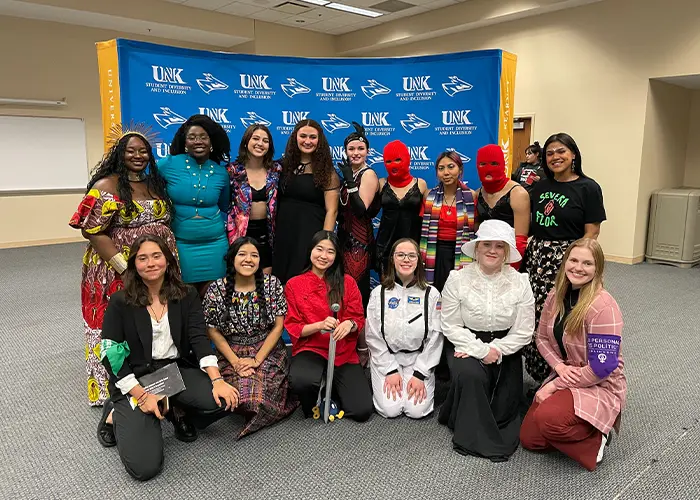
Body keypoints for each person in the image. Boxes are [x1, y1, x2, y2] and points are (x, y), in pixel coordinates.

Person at [97, 234, 239, 481]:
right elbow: (112, 355)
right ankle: (113, 414)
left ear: (168, 260)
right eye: (142, 258)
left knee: (228, 399)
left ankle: (175, 408)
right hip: (136, 379)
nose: (150, 263)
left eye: (156, 256)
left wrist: (217, 380)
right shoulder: (121, 302)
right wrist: (142, 396)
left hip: (174, 372)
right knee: (145, 467)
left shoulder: (186, 295)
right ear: (134, 265)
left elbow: (198, 339)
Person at [69, 126, 177, 408]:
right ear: (119, 153)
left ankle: (152, 381)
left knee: (152, 320)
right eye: (131, 150)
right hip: (115, 268)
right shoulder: (107, 185)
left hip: (155, 265)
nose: (138, 155)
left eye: (143, 151)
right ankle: (112, 391)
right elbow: (92, 230)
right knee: (116, 323)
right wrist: (124, 269)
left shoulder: (155, 184)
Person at [520, 238, 625, 470]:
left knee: (548, 420)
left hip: (598, 382)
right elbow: (542, 338)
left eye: (587, 263)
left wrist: (555, 385)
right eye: (574, 260)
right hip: (567, 373)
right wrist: (558, 368)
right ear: (565, 261)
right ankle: (582, 423)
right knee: (531, 440)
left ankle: (597, 435)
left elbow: (602, 367)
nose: (578, 267)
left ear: (598, 268)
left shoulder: (604, 307)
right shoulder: (557, 295)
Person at [439, 219, 535, 462]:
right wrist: (479, 349)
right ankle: (472, 433)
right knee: (472, 376)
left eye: (499, 246)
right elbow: (450, 324)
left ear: (506, 252)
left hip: (507, 346)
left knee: (505, 406)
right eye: (487, 244)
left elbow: (524, 330)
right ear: (477, 249)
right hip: (466, 342)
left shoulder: (521, 282)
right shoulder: (457, 279)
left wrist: (496, 349)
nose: (492, 250)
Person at [522, 133, 606, 385]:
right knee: (538, 316)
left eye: (561, 151)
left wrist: (577, 262)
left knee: (565, 315)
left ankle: (569, 375)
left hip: (569, 260)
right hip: (538, 258)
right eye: (549, 153)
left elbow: (592, 232)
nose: (555, 157)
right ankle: (541, 376)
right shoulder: (539, 187)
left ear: (573, 155)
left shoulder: (588, 188)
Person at [202, 237, 297, 438]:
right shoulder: (216, 289)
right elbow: (212, 331)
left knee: (260, 398)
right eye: (242, 254)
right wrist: (236, 362)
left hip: (266, 350)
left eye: (254, 255)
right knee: (244, 397)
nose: (248, 259)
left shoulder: (272, 284)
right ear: (232, 259)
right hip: (231, 352)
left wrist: (256, 361)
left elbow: (278, 327)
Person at [284, 230, 373, 422]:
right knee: (302, 383)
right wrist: (319, 325)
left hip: (342, 351)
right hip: (312, 347)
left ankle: (332, 392)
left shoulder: (347, 282)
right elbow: (294, 326)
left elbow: (357, 318)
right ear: (310, 251)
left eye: (330, 251)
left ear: (337, 255)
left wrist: (349, 325)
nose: (324, 256)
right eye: (319, 249)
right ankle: (319, 389)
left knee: (362, 411)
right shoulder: (294, 284)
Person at [365, 238, 443, 419]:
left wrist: (420, 373)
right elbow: (373, 335)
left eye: (411, 255)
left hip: (418, 359)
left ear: (419, 261)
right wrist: (390, 370)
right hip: (387, 357)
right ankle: (390, 375)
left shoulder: (432, 294)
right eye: (400, 255)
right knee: (390, 410)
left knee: (417, 410)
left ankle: (415, 377)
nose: (406, 260)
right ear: (392, 259)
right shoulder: (379, 293)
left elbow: (436, 337)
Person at [158, 114, 231, 295]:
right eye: (192, 137)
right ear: (184, 142)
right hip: (181, 244)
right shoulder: (167, 164)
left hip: (215, 244)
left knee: (213, 297)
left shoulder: (221, 173)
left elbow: (224, 205)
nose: (198, 141)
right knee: (185, 296)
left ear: (211, 141)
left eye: (203, 137)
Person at [273, 120, 340, 284]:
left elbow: (332, 211)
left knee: (304, 278)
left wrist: (324, 243)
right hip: (283, 234)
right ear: (295, 138)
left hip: (309, 235)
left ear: (320, 141)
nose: (307, 141)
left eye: (313, 137)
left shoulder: (327, 173)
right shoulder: (282, 166)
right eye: (303, 136)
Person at [226, 124, 282, 274]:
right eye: (255, 138)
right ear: (246, 142)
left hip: (267, 235)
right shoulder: (232, 171)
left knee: (265, 283)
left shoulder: (276, 170)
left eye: (265, 140)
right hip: (241, 234)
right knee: (241, 280)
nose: (260, 143)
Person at [337, 122, 380, 308]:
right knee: (342, 291)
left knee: (356, 292)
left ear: (368, 151)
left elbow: (360, 209)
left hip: (359, 241)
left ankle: (360, 335)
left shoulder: (368, 174)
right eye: (351, 148)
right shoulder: (351, 174)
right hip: (343, 238)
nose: (356, 152)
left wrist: (348, 180)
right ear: (345, 151)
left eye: (361, 148)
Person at [419, 150, 476, 292]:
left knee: (458, 292)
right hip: (435, 252)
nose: (446, 172)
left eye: (451, 167)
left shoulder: (471, 196)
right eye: (441, 168)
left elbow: (474, 229)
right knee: (435, 292)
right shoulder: (429, 195)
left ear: (460, 169)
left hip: (461, 251)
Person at [375, 140, 429, 277]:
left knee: (412, 289)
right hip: (386, 245)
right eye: (388, 162)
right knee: (387, 289)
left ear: (407, 159)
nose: (393, 165)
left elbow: (428, 217)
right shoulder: (381, 183)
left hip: (412, 243)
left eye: (398, 160)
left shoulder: (420, 184)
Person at [473, 144, 530, 271]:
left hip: (511, 260)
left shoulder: (517, 194)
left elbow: (520, 239)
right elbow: (477, 234)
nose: (488, 169)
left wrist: (510, 270)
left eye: (494, 164)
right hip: (485, 260)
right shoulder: (477, 194)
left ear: (502, 165)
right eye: (482, 164)